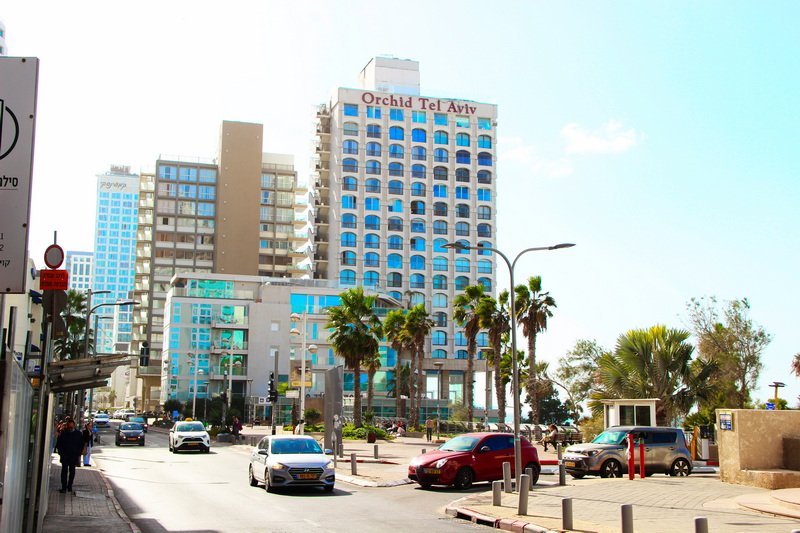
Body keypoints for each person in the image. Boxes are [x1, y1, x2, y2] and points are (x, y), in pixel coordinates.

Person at [55, 417, 83, 493]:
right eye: (69, 425)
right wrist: (61, 453)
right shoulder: (63, 433)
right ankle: (64, 487)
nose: (70, 427)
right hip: (65, 455)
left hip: (73, 456)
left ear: (74, 425)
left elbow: (81, 445)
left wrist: (78, 454)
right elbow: (59, 444)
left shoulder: (78, 434)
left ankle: (70, 485)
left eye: (71, 425)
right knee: (64, 471)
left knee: (72, 471)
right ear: (67, 425)